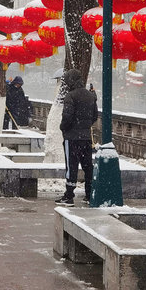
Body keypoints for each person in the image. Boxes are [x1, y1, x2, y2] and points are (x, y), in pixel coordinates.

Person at [56, 69, 98, 206]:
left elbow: (67, 117)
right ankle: (89, 194)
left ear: (70, 81)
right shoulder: (91, 96)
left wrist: (63, 127)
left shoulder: (71, 96)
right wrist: (84, 127)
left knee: (71, 166)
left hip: (72, 138)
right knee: (88, 167)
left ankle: (69, 196)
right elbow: (94, 116)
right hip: (86, 137)